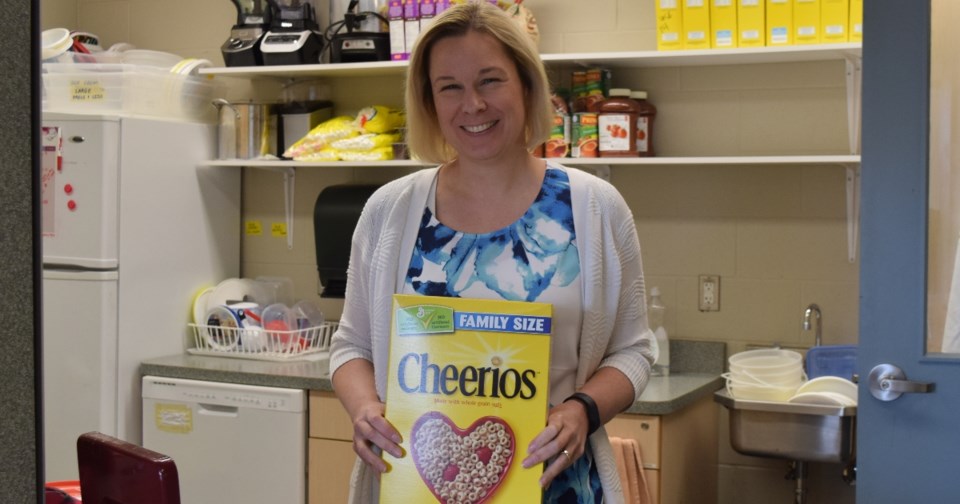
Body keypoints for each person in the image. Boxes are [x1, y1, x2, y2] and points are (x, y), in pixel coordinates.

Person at [329, 2, 655, 502]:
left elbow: (634, 351)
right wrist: (364, 408)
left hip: (558, 489)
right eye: (450, 87)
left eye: (490, 80)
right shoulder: (389, 212)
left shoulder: (595, 208)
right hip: (420, 486)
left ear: (526, 85)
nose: (472, 105)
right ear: (430, 101)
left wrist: (582, 410)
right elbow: (351, 346)